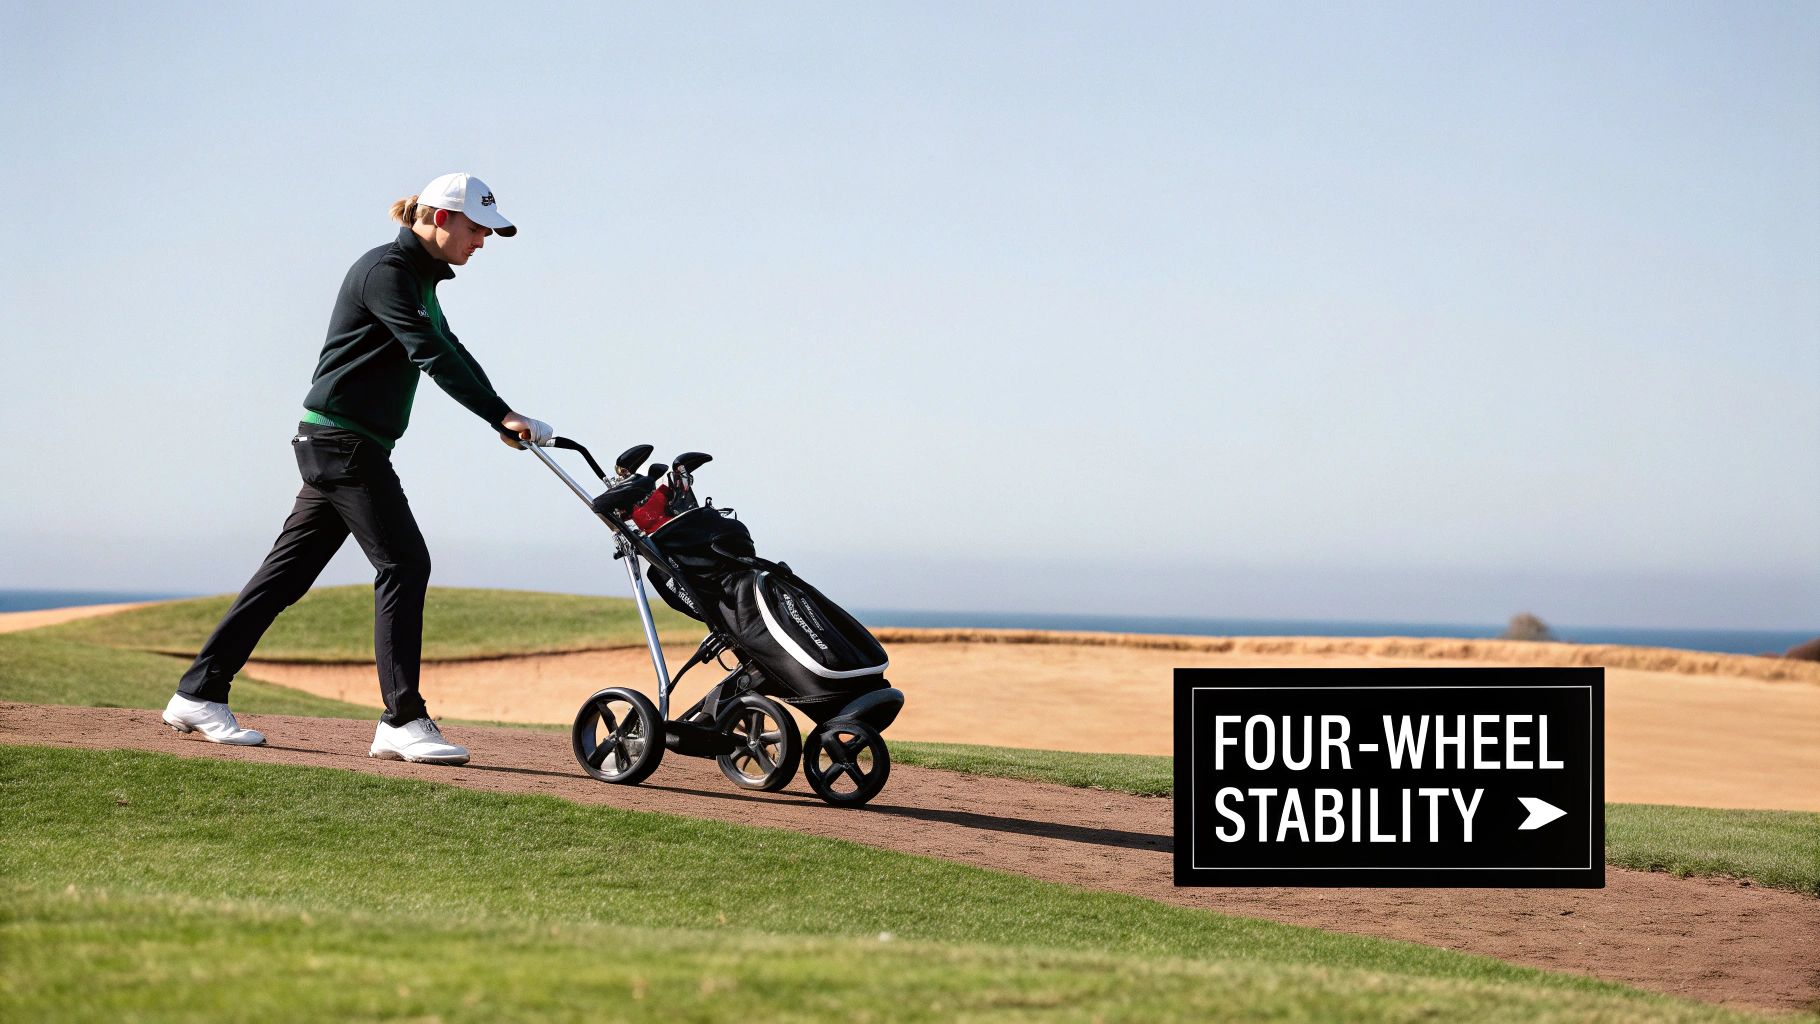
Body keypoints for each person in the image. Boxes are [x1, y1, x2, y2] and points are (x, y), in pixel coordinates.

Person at [161, 173, 550, 766]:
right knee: (404, 562)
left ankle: (198, 693)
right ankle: (402, 719)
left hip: (340, 442)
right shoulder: (386, 273)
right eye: (476, 229)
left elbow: (450, 347)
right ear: (441, 220)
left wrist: (502, 415)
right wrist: (499, 413)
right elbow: (429, 352)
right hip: (344, 444)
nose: (482, 242)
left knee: (285, 578)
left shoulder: (416, 278)